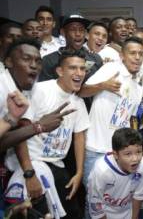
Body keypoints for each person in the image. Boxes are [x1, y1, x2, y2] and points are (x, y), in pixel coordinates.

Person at [6, 49, 90, 219]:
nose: (79, 73)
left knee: (73, 214)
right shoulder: (40, 91)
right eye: (73, 68)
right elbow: (20, 132)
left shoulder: (78, 102)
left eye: (82, 69)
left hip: (57, 165)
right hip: (31, 164)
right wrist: (29, 175)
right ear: (60, 71)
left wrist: (79, 173)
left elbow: (79, 136)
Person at [79, 36, 143, 188]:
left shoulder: (137, 88)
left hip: (120, 153)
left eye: (140, 54)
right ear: (122, 56)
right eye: (132, 53)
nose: (137, 57)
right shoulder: (111, 69)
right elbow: (81, 92)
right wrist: (103, 85)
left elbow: (130, 121)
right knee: (94, 202)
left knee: (116, 199)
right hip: (96, 150)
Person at [88, 128, 143, 219]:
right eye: (128, 154)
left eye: (138, 152)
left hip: (128, 212)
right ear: (116, 155)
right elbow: (96, 205)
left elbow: (138, 196)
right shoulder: (101, 171)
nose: (135, 159)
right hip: (106, 213)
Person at [39, 14, 102, 83]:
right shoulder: (49, 61)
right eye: (73, 29)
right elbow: (45, 89)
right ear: (63, 32)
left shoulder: (95, 59)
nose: (78, 34)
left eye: (81, 30)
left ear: (85, 33)